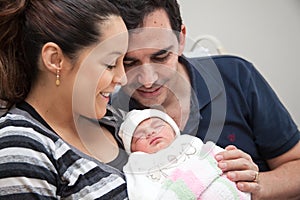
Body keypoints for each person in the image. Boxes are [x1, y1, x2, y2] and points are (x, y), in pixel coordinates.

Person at [109, 0, 300, 199]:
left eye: (161, 57)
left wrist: (257, 186)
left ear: (181, 39)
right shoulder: (108, 118)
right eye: (129, 63)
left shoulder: (235, 76)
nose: (148, 80)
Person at [0, 0, 129, 199]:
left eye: (124, 61)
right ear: (55, 59)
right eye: (110, 64)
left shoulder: (110, 118)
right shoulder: (22, 147)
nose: (123, 78)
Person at [119, 109, 251, 200]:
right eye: (139, 135)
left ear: (173, 129)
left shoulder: (189, 143)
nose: (150, 133)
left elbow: (218, 159)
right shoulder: (138, 165)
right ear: (133, 150)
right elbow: (142, 193)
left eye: (157, 126)